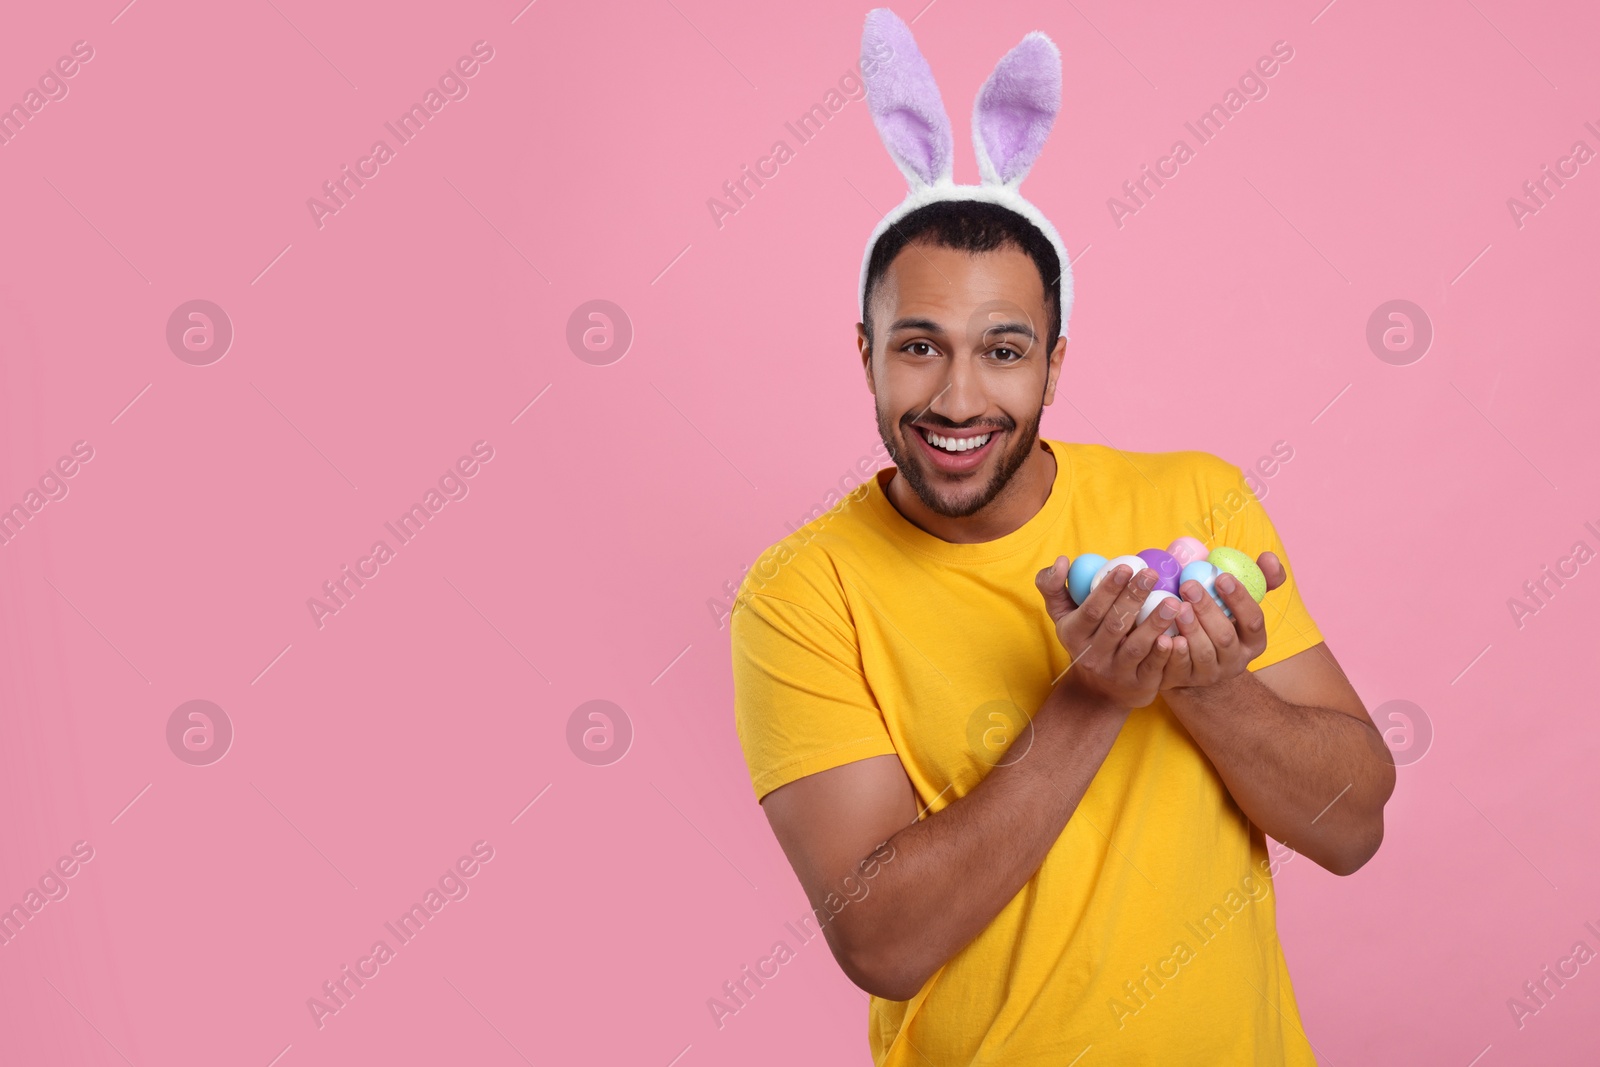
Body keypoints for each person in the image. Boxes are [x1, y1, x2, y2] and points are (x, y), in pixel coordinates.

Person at [729, 10, 1395, 1065]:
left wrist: (1208, 683)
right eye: (917, 346)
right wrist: (1092, 696)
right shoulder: (801, 593)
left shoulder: (1194, 498)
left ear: (1052, 360)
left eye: (1002, 349)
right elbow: (882, 936)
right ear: (864, 354)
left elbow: (1352, 826)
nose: (956, 395)